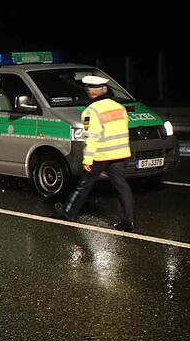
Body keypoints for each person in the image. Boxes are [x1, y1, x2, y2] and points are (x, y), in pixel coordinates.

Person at [54, 75, 135, 230]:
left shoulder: (92, 111)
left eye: (88, 89)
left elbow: (92, 137)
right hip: (121, 153)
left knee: (84, 185)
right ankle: (128, 221)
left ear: (92, 93)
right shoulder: (119, 107)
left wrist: (88, 160)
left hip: (101, 154)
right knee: (121, 186)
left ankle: (68, 212)